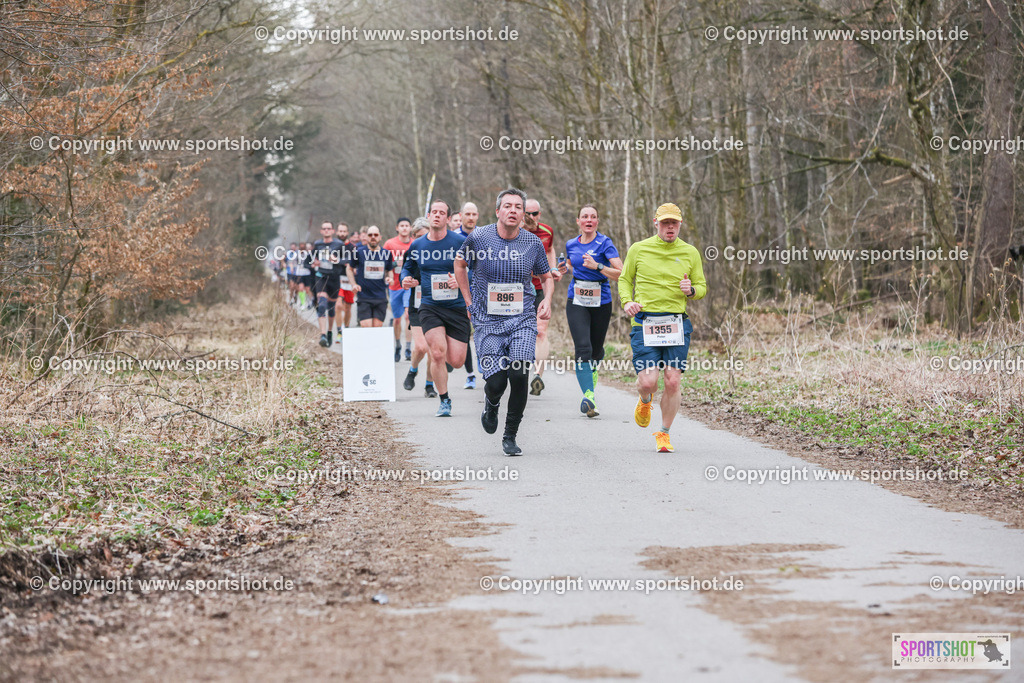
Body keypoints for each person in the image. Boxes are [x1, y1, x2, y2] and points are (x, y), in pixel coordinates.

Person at [455, 188, 553, 455]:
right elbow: (460, 264)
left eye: (518, 207)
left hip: (522, 318)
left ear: (523, 214)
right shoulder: (479, 237)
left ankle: (510, 435)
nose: (513, 210)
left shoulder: (532, 243)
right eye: (507, 206)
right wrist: (468, 301)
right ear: (497, 211)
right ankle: (492, 402)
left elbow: (546, 277)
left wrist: (547, 300)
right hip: (487, 320)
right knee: (497, 382)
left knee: (519, 374)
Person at [619, 203, 707, 453]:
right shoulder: (639, 249)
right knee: (648, 382)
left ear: (680, 225)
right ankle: (645, 400)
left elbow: (702, 287)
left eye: (675, 223)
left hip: (676, 324)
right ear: (655, 223)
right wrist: (628, 302)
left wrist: (691, 291)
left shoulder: (690, 252)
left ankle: (664, 433)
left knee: (672, 381)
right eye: (665, 223)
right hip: (645, 322)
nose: (670, 227)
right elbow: (625, 280)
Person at [402, 201, 469, 417]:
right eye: (434, 212)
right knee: (438, 354)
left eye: (442, 213)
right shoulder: (418, 245)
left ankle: (446, 365)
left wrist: (460, 281)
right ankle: (444, 399)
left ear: (449, 219)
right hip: (430, 307)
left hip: (456, 307)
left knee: (457, 361)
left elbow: (478, 269)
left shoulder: (460, 242)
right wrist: (406, 279)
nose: (437, 216)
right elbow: (406, 268)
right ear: (429, 216)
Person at [556, 205, 623, 417]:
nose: (589, 220)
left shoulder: (605, 243)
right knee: (583, 348)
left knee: (596, 351)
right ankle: (589, 397)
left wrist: (599, 267)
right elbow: (571, 264)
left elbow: (621, 273)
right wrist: (564, 269)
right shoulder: (570, 244)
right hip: (576, 299)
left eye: (593, 217)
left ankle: (591, 373)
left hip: (601, 301)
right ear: (578, 221)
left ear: (597, 222)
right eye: (585, 216)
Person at [523, 198, 560, 396]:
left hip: (541, 288)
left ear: (540, 214)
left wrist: (552, 268)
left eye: (534, 213)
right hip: (519, 292)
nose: (530, 217)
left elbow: (550, 250)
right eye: (526, 213)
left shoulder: (546, 231)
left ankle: (537, 375)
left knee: (541, 331)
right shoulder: (515, 232)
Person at [402, 218, 437, 396]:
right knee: (421, 347)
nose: (421, 240)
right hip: (417, 305)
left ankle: (429, 385)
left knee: (433, 350)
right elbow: (405, 272)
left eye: (425, 236)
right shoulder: (412, 252)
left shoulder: (438, 252)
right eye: (418, 237)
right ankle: (413, 370)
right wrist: (407, 280)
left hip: (436, 306)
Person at [346, 226, 394, 327]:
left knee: (376, 328)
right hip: (364, 297)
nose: (373, 237)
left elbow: (389, 270)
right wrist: (353, 284)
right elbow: (349, 268)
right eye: (370, 235)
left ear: (380, 237)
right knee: (366, 327)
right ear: (366, 237)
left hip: (380, 297)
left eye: (375, 235)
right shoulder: (359, 252)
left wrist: (391, 278)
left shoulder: (386, 253)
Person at [456, 201, 480, 388]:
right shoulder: (454, 238)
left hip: (481, 291)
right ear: (461, 216)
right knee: (465, 333)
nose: (470, 218)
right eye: (467, 214)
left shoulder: (484, 236)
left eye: (474, 214)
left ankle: (485, 363)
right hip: (459, 292)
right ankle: (470, 374)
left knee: (481, 330)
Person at [311, 222, 346, 347]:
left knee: (331, 309)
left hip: (334, 278)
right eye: (324, 229)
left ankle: (330, 332)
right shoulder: (317, 244)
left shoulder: (339, 244)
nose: (326, 231)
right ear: (321, 231)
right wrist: (314, 263)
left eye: (328, 229)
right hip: (321, 277)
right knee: (322, 305)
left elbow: (347, 259)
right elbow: (312, 259)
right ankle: (323, 335)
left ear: (332, 231)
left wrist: (337, 260)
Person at [384, 217, 414, 361]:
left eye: (406, 226)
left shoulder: (415, 243)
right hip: (395, 286)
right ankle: (397, 346)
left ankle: (408, 347)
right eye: (401, 226)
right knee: (397, 319)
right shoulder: (390, 244)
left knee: (408, 315)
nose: (404, 228)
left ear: (410, 228)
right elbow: (382, 262)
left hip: (409, 285)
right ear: (397, 228)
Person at [336, 222, 355, 333]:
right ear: (337, 232)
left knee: (348, 307)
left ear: (347, 233)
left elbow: (352, 262)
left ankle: (346, 329)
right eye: (340, 231)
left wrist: (338, 261)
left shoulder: (352, 247)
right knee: (338, 305)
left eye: (344, 231)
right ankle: (339, 331)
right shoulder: (333, 245)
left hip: (349, 279)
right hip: (337, 279)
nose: (342, 233)